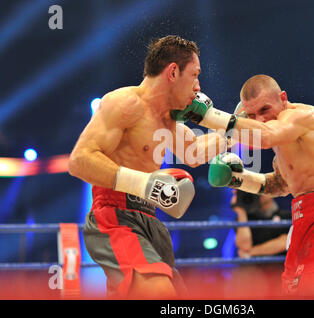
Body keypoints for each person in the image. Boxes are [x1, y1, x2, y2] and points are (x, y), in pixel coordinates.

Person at [173, 74, 314, 296]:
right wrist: (239, 179)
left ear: (282, 98)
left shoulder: (303, 116)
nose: (260, 119)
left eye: (265, 110)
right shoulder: (283, 143)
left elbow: (266, 136)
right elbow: (279, 185)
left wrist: (208, 116)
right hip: (303, 218)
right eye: (253, 115)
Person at [68, 35, 229, 299]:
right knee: (159, 291)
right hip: (115, 217)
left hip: (150, 220)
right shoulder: (125, 103)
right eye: (195, 75)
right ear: (173, 72)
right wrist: (142, 183)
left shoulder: (168, 121)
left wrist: (234, 131)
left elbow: (195, 152)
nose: (198, 86)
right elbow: (79, 161)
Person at [230, 190, 290, 258]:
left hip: (280, 266)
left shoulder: (287, 216)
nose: (259, 193)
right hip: (253, 267)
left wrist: (250, 253)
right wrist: (241, 212)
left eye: (262, 189)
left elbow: (284, 243)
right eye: (257, 190)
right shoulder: (244, 219)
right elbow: (244, 246)